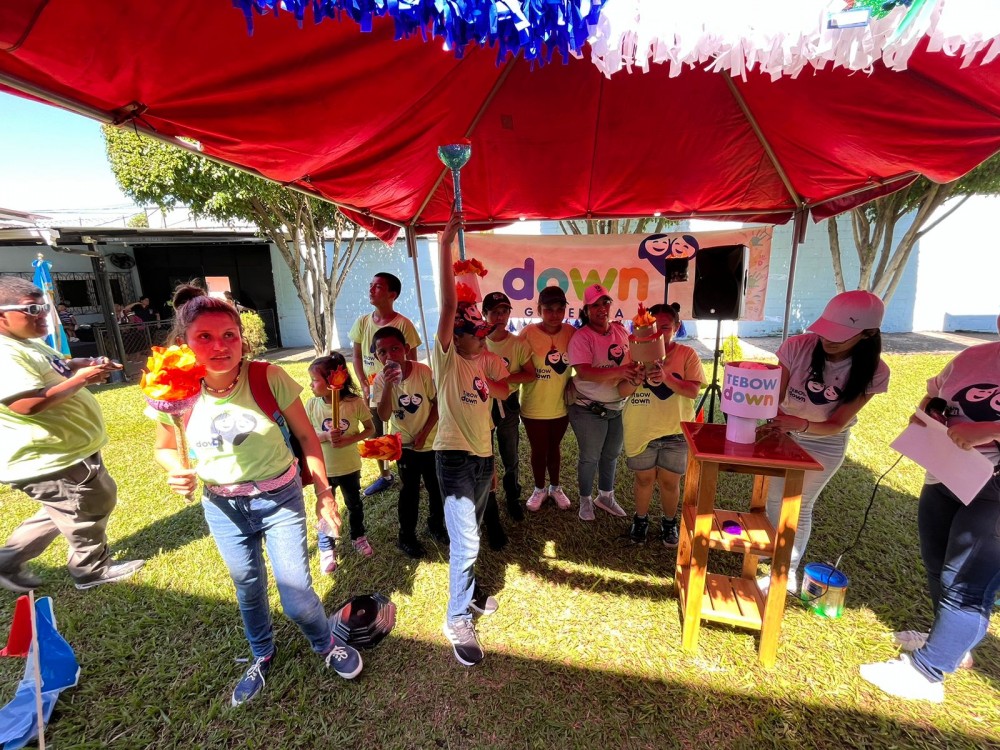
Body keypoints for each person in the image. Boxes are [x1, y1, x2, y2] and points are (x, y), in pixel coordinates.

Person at [151, 284, 361, 707]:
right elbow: (165, 448)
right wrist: (176, 470)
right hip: (222, 507)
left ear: (241, 338)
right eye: (204, 337)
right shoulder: (174, 391)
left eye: (228, 334)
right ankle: (262, 653)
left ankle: (325, 643)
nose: (219, 345)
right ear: (184, 342)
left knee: (297, 598)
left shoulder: (268, 377)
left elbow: (307, 437)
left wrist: (324, 493)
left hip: (279, 499)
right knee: (247, 587)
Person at [860, 334, 1000, 703]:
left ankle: (927, 673)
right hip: (946, 472)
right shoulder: (973, 356)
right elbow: (937, 394)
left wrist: (991, 430)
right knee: (937, 562)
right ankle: (949, 644)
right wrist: (926, 413)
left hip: (994, 489)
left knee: (966, 583)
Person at [0, 276, 144, 592]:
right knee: (87, 508)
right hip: (49, 455)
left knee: (71, 505)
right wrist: (83, 379)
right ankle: (90, 570)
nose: (43, 314)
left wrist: (86, 364)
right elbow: (26, 404)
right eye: (32, 309)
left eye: (44, 307)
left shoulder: (26, 342)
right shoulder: (4, 353)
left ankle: (7, 560)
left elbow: (59, 367)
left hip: (61, 451)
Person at [764, 290, 889, 594]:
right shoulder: (797, 346)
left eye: (840, 335)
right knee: (774, 499)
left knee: (799, 504)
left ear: (868, 334)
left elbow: (835, 424)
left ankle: (786, 572)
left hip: (825, 442)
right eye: (826, 330)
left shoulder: (875, 371)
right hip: (784, 431)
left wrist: (802, 424)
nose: (828, 339)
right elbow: (774, 397)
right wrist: (775, 420)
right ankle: (773, 552)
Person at [434, 210, 510, 667]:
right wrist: (445, 246)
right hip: (455, 458)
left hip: (480, 457)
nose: (481, 339)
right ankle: (456, 617)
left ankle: (470, 591)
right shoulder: (447, 360)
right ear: (455, 337)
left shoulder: (481, 363)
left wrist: (492, 463)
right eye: (473, 333)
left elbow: (488, 411)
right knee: (467, 541)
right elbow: (448, 307)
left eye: (482, 333)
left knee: (472, 533)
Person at [618, 303, 704, 546]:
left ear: (677, 327)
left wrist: (666, 378)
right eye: (653, 328)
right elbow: (621, 391)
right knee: (643, 479)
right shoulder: (633, 353)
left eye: (665, 327)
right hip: (641, 429)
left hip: (676, 431)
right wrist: (634, 380)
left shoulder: (687, 354)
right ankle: (640, 519)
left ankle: (669, 522)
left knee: (670, 481)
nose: (658, 333)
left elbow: (693, 391)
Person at [371, 326, 447, 559]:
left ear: (405, 349)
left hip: (431, 442)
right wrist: (388, 385)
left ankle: (436, 524)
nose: (390, 356)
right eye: (382, 352)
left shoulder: (422, 372)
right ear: (377, 356)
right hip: (404, 446)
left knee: (436, 487)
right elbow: (384, 415)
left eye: (395, 349)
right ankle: (406, 536)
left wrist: (424, 433)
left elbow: (437, 404)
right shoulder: (380, 380)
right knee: (409, 491)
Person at [568, 284, 641, 521]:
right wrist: (620, 371)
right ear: (586, 310)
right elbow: (584, 372)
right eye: (595, 305)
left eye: (605, 303)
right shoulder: (582, 337)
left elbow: (632, 360)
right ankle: (585, 499)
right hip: (588, 407)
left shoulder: (620, 330)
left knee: (611, 454)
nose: (602, 308)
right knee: (590, 456)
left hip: (617, 405)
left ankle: (606, 496)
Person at [349, 272, 421, 497]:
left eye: (378, 287)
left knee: (404, 426)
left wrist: (406, 384)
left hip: (401, 389)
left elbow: (413, 360)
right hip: (373, 389)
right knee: (376, 431)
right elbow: (357, 356)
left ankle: (412, 468)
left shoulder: (404, 324)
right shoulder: (362, 322)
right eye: (371, 285)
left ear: (392, 294)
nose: (371, 290)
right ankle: (385, 475)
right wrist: (364, 384)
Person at [305, 354, 375, 573]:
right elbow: (305, 435)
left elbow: (370, 429)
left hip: (349, 466)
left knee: (354, 504)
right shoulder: (312, 405)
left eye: (314, 380)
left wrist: (348, 440)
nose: (310, 385)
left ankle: (358, 536)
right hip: (323, 469)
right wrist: (326, 436)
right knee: (325, 508)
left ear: (333, 381)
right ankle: (326, 547)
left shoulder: (354, 403)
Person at [482, 291, 536, 539]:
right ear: (484, 314)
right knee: (486, 455)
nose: (500, 317)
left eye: (504, 311)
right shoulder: (478, 343)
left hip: (508, 404)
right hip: (481, 405)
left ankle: (513, 497)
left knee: (510, 454)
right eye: (495, 312)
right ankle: (489, 500)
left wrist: (502, 379)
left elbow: (530, 374)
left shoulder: (518, 343)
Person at [518, 286, 576, 512]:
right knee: (539, 449)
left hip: (561, 405)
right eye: (548, 309)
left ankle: (555, 488)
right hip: (534, 406)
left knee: (554, 447)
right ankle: (539, 489)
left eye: (560, 309)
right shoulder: (527, 333)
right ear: (538, 309)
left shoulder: (571, 332)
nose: (554, 314)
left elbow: (583, 363)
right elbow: (516, 364)